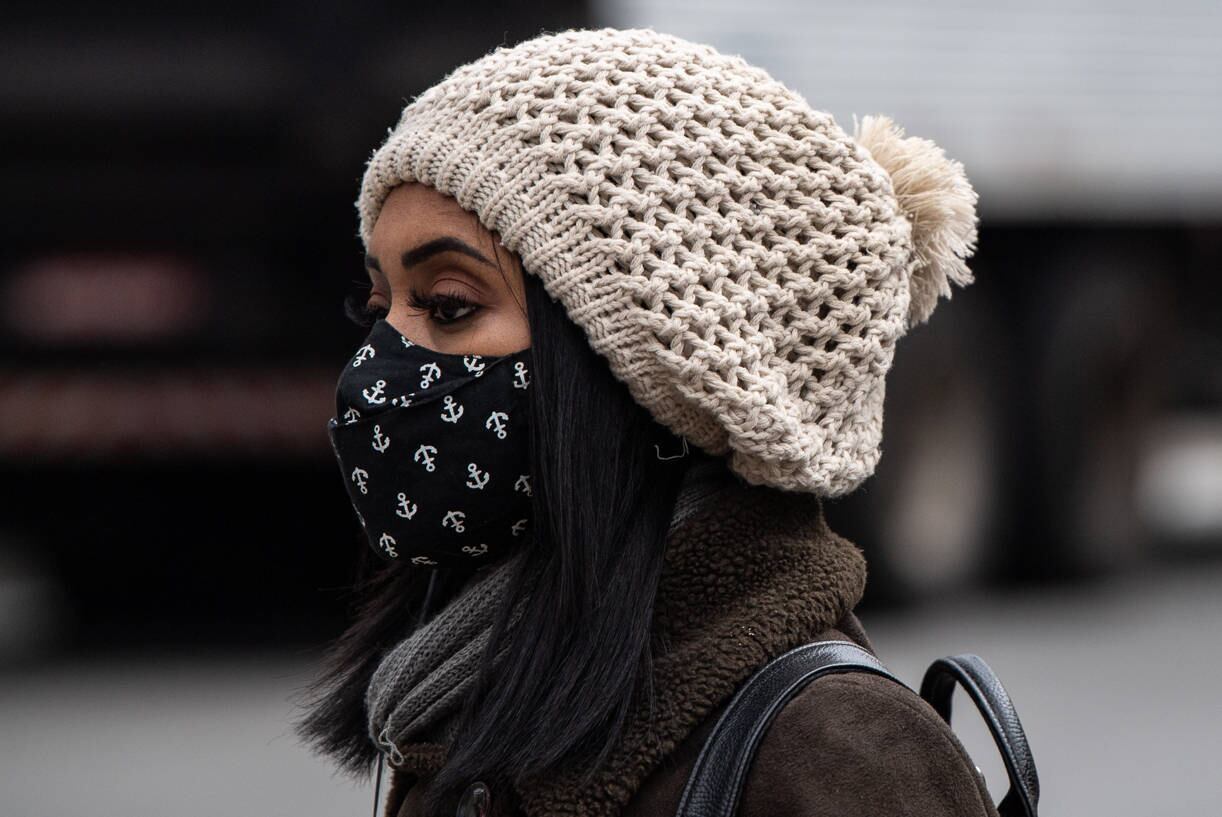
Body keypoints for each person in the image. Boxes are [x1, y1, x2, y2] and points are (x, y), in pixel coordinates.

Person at [297, 26, 991, 817]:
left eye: (449, 305)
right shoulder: (460, 703)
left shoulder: (839, 755)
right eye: (379, 307)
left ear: (647, 369)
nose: (376, 368)